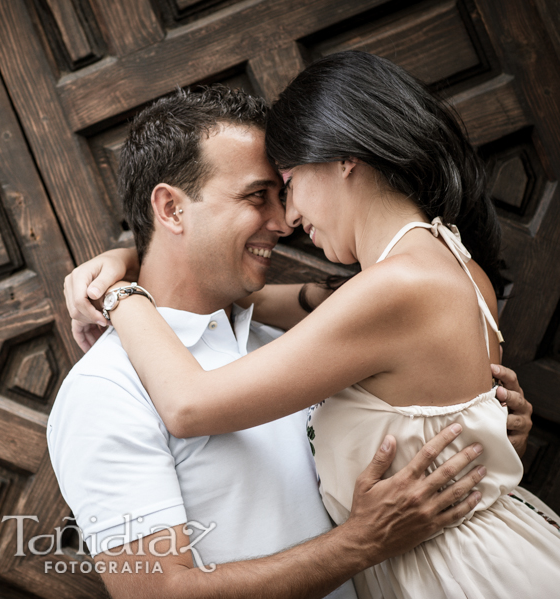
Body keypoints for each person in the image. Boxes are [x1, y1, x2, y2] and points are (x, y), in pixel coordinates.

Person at [71, 52, 558, 598]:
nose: (289, 220)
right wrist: (129, 262)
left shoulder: (391, 290)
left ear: (344, 159)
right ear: (172, 210)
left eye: (289, 184)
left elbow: (190, 405)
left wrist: (117, 291)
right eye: (262, 194)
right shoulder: (444, 262)